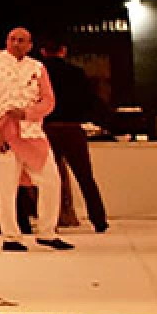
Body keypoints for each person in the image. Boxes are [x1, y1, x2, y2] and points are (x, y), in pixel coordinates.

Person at [0, 27, 69, 252]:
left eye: (21, 40)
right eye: (12, 39)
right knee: (6, 187)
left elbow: (48, 101)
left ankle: (47, 232)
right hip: (4, 132)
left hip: (33, 132)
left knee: (51, 180)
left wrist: (28, 113)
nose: (16, 43)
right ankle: (11, 236)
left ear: (30, 45)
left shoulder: (37, 67)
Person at [39, 39, 109, 233]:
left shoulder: (39, 74)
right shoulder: (77, 73)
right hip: (72, 128)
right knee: (85, 176)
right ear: (64, 51)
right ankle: (99, 219)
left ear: (43, 51)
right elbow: (90, 100)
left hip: (47, 128)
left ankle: (50, 221)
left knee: (48, 178)